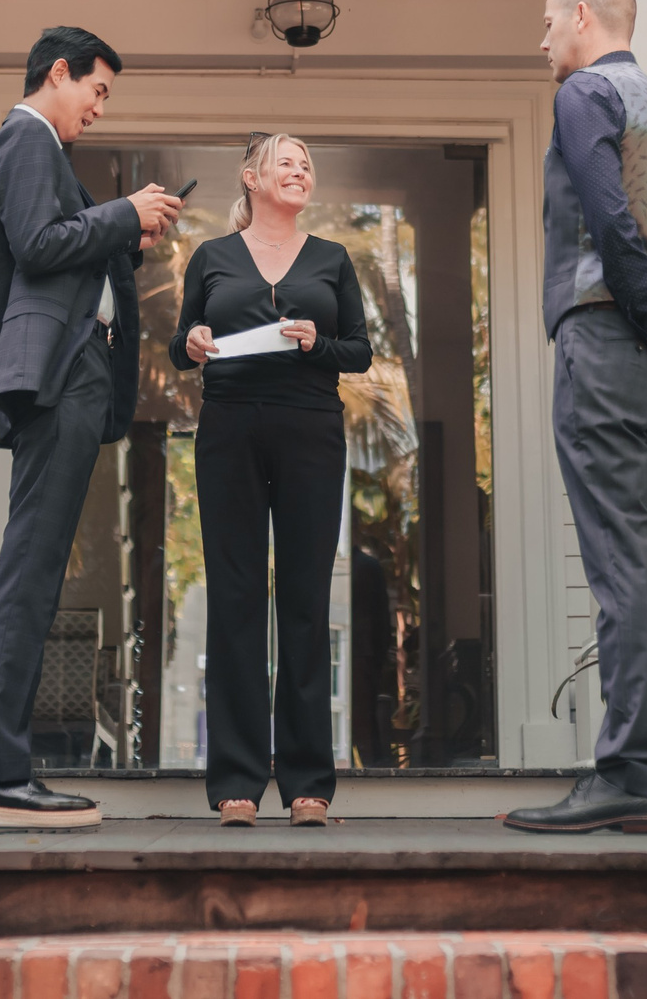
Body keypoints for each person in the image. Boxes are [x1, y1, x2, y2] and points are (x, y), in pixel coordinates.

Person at [507, 0, 647, 837]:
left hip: (604, 341)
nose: (543, 40)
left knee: (620, 560)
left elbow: (607, 220)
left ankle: (630, 770)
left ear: (583, 16)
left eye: (548, 21)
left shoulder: (585, 95)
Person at [0, 27, 184, 831]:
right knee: (30, 570)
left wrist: (131, 235)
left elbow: (74, 254)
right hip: (55, 381)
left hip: (74, 379)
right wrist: (124, 210)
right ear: (59, 71)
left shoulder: (47, 151)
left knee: (38, 570)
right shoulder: (25, 138)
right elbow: (39, 246)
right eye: (98, 88)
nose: (98, 105)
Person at [170, 133, 373, 828]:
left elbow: (361, 350)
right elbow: (181, 343)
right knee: (234, 600)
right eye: (286, 161)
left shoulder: (332, 260)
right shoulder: (212, 258)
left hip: (311, 430)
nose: (299, 170)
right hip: (228, 430)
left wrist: (319, 343)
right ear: (252, 177)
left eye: (307, 163)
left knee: (307, 601)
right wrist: (193, 340)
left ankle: (309, 784)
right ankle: (235, 783)